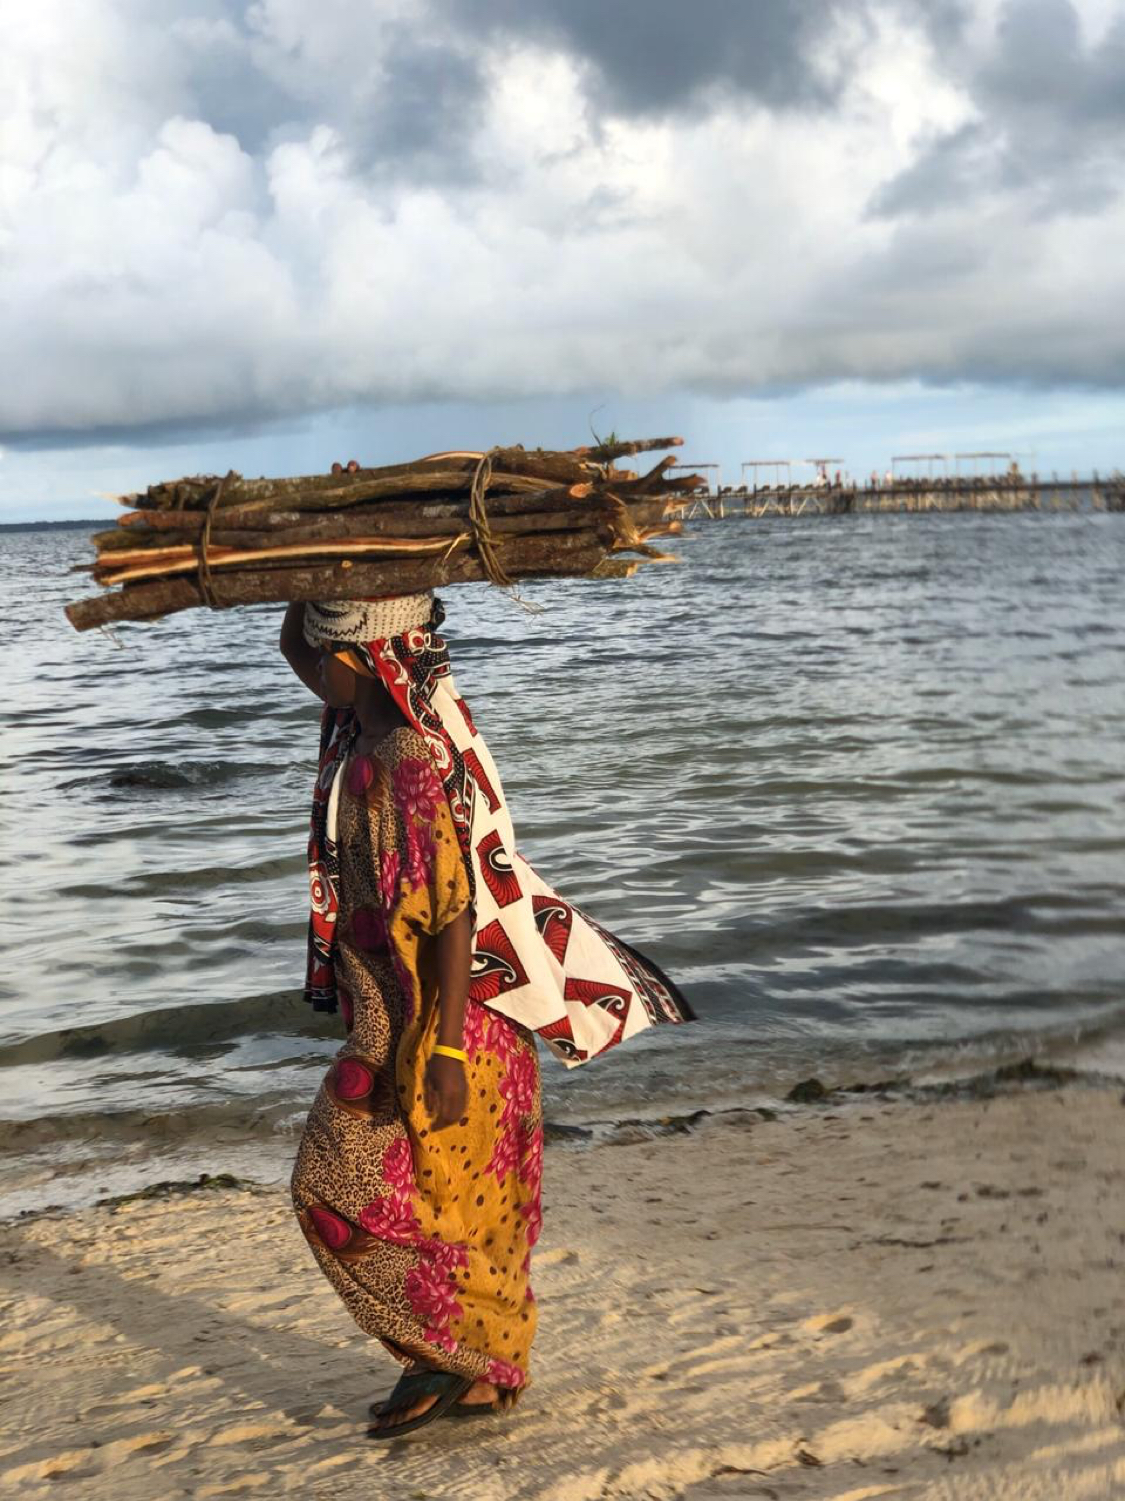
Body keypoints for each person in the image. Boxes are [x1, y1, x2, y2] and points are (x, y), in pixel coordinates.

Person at [280, 589, 693, 1440]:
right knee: (452, 1208)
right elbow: (299, 650)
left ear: (358, 661)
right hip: (415, 1017)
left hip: (445, 1024)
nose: (312, 670)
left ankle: (458, 1361)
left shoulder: (398, 756)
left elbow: (455, 911)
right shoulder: (364, 729)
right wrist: (305, 573)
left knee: (331, 1185)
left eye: (326, 656)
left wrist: (444, 1055)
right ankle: (474, 1367)